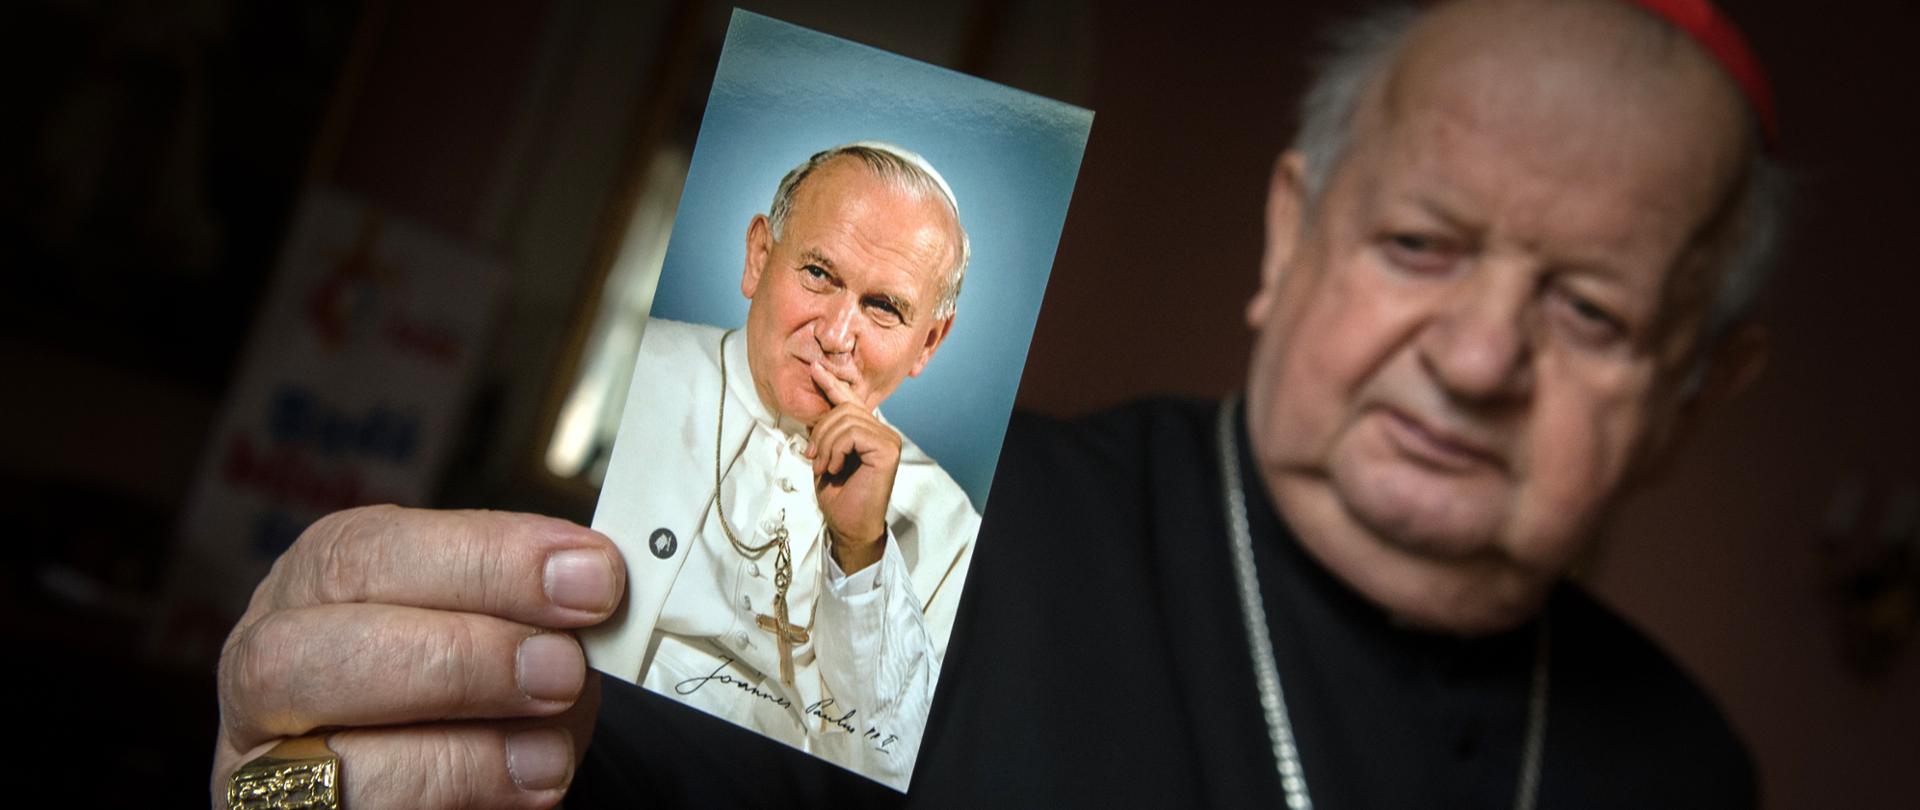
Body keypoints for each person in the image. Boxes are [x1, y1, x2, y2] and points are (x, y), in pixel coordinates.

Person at [212, 0, 1783, 807]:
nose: (1479, 356)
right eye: (1422, 243)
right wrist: (282, 778)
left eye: (1588, 309)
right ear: (1290, 237)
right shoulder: (928, 545)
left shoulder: (1690, 773)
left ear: (1700, 394)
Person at [581, 141, 979, 788]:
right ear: (759, 258)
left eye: (883, 307)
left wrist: (862, 550)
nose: (836, 333)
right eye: (819, 274)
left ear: (927, 343)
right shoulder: (642, 368)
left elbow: (895, 769)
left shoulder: (952, 525)